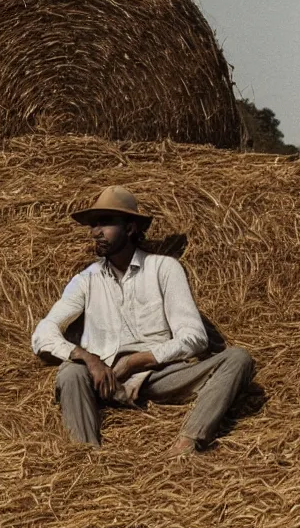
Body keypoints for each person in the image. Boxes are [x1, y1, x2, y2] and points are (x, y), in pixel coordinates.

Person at [31, 188, 255, 456]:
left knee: (237, 359)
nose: (96, 232)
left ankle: (187, 443)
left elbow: (194, 336)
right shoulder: (86, 280)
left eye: (106, 222)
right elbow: (43, 332)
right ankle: (86, 457)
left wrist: (137, 361)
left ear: (130, 228)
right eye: (94, 224)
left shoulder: (164, 269)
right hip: (107, 378)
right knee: (70, 372)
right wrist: (88, 358)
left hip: (159, 375)